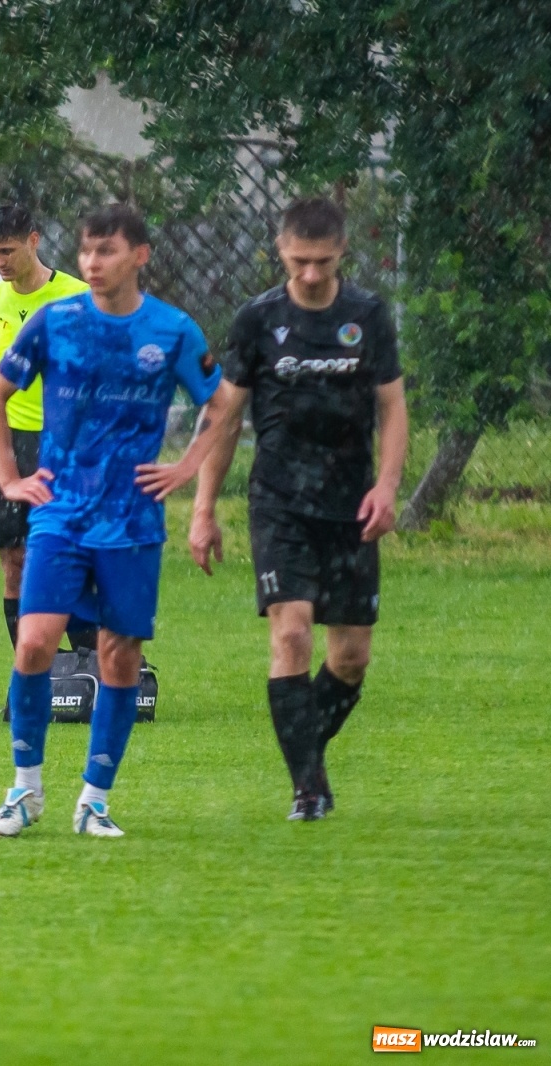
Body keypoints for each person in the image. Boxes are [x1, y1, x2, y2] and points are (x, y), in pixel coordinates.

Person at [0, 203, 238, 839]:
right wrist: (11, 480)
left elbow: (224, 403)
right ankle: (25, 791)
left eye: (107, 252)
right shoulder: (54, 321)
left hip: (132, 524)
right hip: (61, 516)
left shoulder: (172, 330)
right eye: (87, 252)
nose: (92, 264)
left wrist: (186, 469)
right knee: (35, 642)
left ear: (140, 256)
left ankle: (94, 798)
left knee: (119, 660)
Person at [189, 197, 408, 822]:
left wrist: (388, 486)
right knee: (291, 635)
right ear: (280, 251)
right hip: (280, 501)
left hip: (351, 502)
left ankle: (302, 747)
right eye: (299, 261)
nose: (310, 274)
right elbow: (224, 415)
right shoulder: (258, 319)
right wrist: (204, 508)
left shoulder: (367, 315)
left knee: (351, 657)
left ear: (342, 255)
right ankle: (308, 787)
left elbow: (391, 407)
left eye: (323, 262)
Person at [0, 203, 94, 649]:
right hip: (3, 444)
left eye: (7, 250)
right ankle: (34, 669)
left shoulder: (77, 297)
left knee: (67, 554)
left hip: (63, 446)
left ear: (34, 239)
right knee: (14, 560)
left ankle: (89, 662)